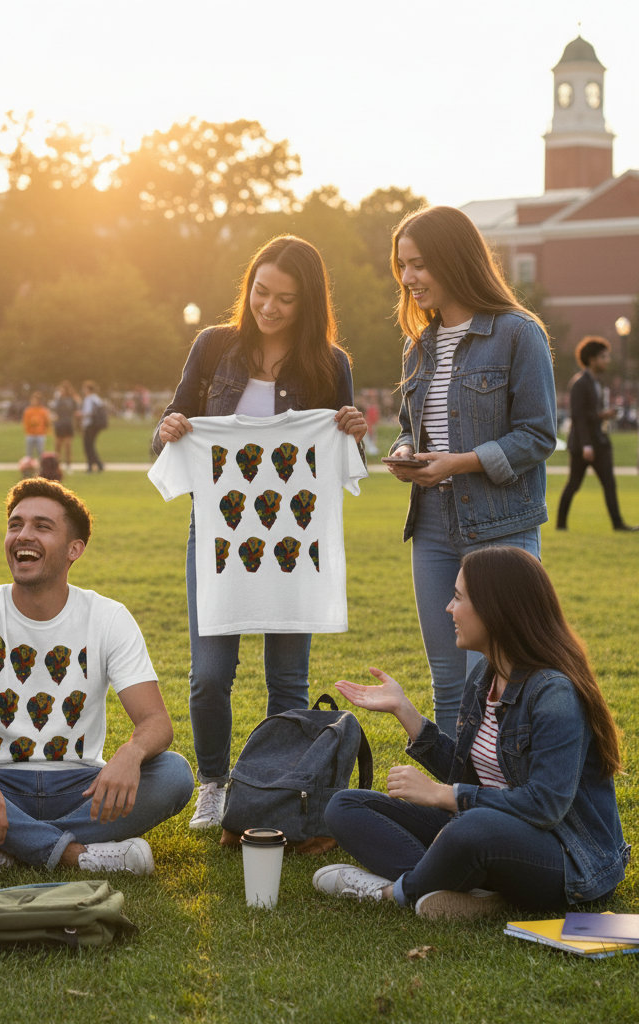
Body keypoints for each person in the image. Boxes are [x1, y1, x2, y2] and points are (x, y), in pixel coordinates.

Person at [153, 234, 367, 832]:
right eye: (260, 292)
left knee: (287, 678)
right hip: (219, 531)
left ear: (310, 304)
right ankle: (214, 784)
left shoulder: (330, 365)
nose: (267, 307)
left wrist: (351, 428)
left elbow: (344, 451)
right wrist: (169, 429)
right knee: (210, 674)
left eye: (285, 299)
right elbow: (169, 427)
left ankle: (279, 787)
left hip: (295, 538)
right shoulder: (215, 347)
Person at [313, 546, 628, 921]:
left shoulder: (553, 693)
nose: (449, 608)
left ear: (495, 609)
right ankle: (469, 888)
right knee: (345, 806)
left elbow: (544, 806)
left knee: (470, 828)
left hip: (565, 855)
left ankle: (391, 893)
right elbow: (471, 774)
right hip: (485, 832)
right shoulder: (484, 677)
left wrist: (442, 795)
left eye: (459, 597)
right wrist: (405, 710)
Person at [0, 478, 194, 875]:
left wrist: (131, 753)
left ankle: (6, 848)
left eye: (42, 526)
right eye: (15, 524)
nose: (23, 535)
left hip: (81, 787)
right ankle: (76, 855)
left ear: (75, 549)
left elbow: (156, 721)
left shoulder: (108, 617)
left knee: (174, 773)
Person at [386, 205, 557, 738]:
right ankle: (452, 797)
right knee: (447, 680)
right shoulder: (419, 346)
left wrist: (459, 463)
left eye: (418, 265)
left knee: (493, 678)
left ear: (453, 260)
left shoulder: (517, 334)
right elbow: (410, 425)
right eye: (402, 267)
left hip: (500, 527)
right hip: (432, 526)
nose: (408, 279)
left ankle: (494, 798)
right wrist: (406, 452)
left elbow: (538, 434)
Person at [557, 336, 637, 532]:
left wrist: (603, 415)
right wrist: (586, 445)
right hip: (583, 445)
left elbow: (590, 414)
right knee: (574, 484)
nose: (607, 360)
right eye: (604, 356)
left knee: (609, 483)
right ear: (592, 359)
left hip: (598, 442)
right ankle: (561, 525)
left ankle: (618, 525)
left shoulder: (596, 382)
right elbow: (578, 417)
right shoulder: (580, 383)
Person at [79, 381, 106, 472]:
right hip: (96, 425)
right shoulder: (96, 399)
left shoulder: (89, 399)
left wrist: (80, 415)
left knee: (88, 445)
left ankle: (92, 465)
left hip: (90, 424)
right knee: (91, 445)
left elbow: (88, 412)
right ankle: (97, 464)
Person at [51, 380, 78, 471]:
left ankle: (68, 464)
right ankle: (56, 465)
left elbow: (75, 412)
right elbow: (55, 412)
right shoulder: (58, 400)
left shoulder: (72, 400)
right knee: (57, 446)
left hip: (68, 424)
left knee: (68, 446)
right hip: (59, 425)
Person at [22, 390, 51, 461]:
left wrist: (44, 431)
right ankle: (28, 467)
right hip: (30, 434)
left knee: (41, 452)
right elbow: (25, 422)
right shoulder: (28, 410)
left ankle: (41, 467)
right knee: (29, 453)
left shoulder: (43, 410)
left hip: (40, 434)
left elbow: (47, 422)